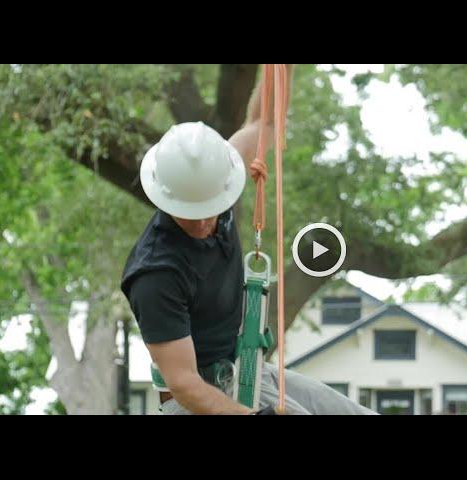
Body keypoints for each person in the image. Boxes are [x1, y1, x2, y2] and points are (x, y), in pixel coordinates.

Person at [120, 65, 376, 415]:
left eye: (211, 207)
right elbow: (184, 384)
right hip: (199, 401)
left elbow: (264, 123)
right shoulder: (156, 273)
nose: (204, 221)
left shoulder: (218, 171)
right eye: (191, 212)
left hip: (249, 371)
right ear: (167, 198)